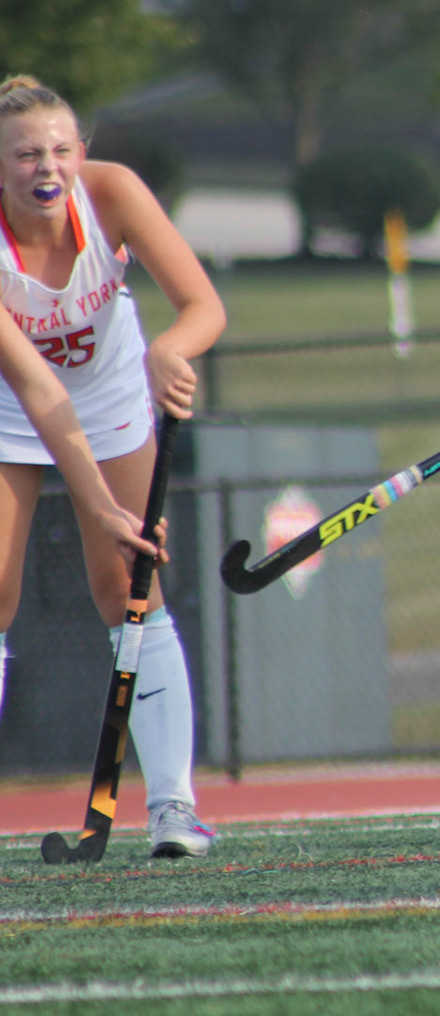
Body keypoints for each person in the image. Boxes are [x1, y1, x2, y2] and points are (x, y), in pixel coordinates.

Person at [0, 75, 226, 857]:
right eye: (26, 154)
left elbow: (204, 306)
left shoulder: (114, 193)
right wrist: (96, 502)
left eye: (61, 150)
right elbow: (37, 390)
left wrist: (171, 349)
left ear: (82, 151)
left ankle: (173, 808)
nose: (47, 168)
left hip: (111, 391)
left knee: (128, 587)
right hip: (12, 403)